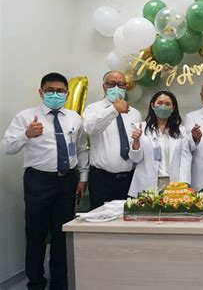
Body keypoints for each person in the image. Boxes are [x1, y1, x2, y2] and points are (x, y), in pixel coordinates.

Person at [1, 72, 89, 290]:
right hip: (38, 181)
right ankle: (36, 282)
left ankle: (59, 283)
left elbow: (81, 149)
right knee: (36, 234)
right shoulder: (26, 117)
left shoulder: (74, 118)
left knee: (62, 235)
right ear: (41, 92)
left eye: (60, 91)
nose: (55, 95)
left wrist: (83, 177)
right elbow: (7, 147)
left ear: (67, 94)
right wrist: (26, 134)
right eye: (50, 90)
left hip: (67, 180)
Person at [82, 71, 142, 210]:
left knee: (127, 221)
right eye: (111, 84)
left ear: (126, 87)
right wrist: (114, 109)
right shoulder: (93, 109)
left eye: (120, 84)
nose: (116, 87)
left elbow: (137, 144)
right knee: (101, 221)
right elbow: (90, 128)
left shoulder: (135, 113)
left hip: (129, 179)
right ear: (104, 86)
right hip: (102, 179)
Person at [128, 90, 191, 196]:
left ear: (173, 107)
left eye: (167, 104)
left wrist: (183, 184)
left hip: (173, 183)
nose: (163, 107)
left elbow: (185, 158)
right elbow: (135, 159)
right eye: (160, 103)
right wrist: (136, 141)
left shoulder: (181, 131)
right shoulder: (140, 128)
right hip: (146, 183)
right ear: (153, 105)